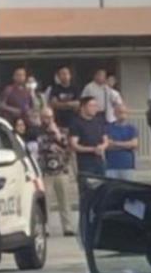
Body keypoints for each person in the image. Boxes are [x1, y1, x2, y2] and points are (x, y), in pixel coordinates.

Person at [36, 107, 75, 236]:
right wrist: (53, 146)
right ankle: (46, 227)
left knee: (64, 200)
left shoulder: (62, 131)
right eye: (45, 117)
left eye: (50, 117)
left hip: (61, 170)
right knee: (46, 201)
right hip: (46, 172)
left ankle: (67, 227)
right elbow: (41, 147)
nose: (48, 120)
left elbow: (67, 147)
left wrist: (57, 134)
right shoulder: (38, 132)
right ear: (41, 118)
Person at [68, 97, 109, 176]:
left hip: (100, 161)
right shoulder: (76, 123)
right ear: (83, 107)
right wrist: (92, 149)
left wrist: (102, 147)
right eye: (91, 106)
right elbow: (74, 145)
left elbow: (106, 140)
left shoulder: (99, 121)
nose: (94, 108)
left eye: (96, 106)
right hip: (85, 163)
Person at [105, 104, 139, 180]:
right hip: (111, 166)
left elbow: (134, 144)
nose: (122, 114)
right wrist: (126, 145)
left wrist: (115, 143)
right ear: (114, 113)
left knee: (127, 190)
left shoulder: (132, 129)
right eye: (120, 112)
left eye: (124, 112)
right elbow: (107, 146)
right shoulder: (108, 128)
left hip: (127, 166)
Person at [44, 67, 80, 131]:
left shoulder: (75, 88)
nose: (65, 76)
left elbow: (78, 104)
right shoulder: (55, 89)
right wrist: (69, 104)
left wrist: (61, 104)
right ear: (59, 76)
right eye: (62, 74)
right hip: (58, 121)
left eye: (66, 73)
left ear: (70, 75)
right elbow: (54, 104)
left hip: (72, 120)